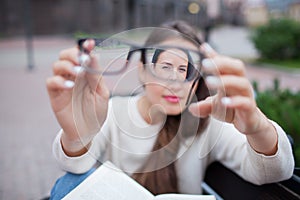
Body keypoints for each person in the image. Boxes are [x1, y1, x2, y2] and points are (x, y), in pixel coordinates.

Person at [46, 20, 294, 199]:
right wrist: (78, 133)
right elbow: (75, 167)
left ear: (197, 79)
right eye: (164, 67)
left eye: (186, 70)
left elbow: (274, 171)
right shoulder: (111, 112)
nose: (175, 83)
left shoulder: (206, 119)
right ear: (142, 70)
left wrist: (257, 125)